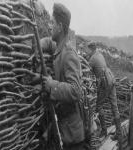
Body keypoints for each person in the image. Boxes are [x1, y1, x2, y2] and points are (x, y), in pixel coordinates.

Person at [40, 3, 86, 150]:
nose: (49, 26)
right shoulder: (60, 46)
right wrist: (40, 44)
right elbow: (50, 42)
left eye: (52, 23)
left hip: (73, 137)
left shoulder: (69, 53)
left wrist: (52, 85)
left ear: (60, 26)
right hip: (65, 132)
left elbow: (76, 91)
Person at [86, 42, 123, 150]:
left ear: (90, 49)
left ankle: (104, 130)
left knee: (98, 106)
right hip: (111, 79)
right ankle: (119, 135)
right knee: (114, 107)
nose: (86, 51)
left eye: (87, 49)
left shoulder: (92, 58)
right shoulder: (99, 54)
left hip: (105, 83)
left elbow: (86, 69)